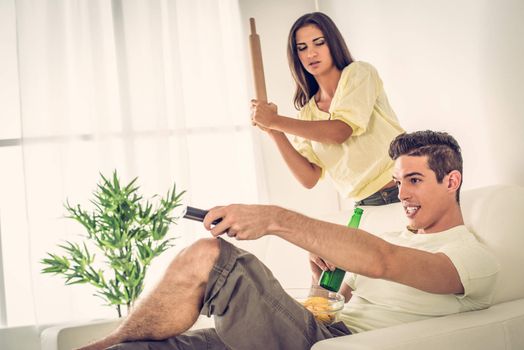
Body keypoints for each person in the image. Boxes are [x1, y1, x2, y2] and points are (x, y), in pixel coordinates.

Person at [78, 131, 499, 350]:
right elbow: (341, 301)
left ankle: (107, 339)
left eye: (414, 180)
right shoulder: (389, 235)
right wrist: (320, 286)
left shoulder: (470, 258)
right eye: (397, 182)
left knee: (213, 255)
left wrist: (276, 219)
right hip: (319, 328)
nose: (402, 194)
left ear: (452, 180)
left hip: (330, 345)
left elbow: (385, 261)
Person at [251, 12, 405, 207]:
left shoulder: (359, 73)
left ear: (333, 43)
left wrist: (275, 120)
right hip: (365, 204)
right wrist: (273, 131)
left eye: (319, 42)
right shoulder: (306, 115)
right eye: (302, 48)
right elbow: (309, 178)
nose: (311, 53)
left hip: (405, 187)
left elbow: (340, 131)